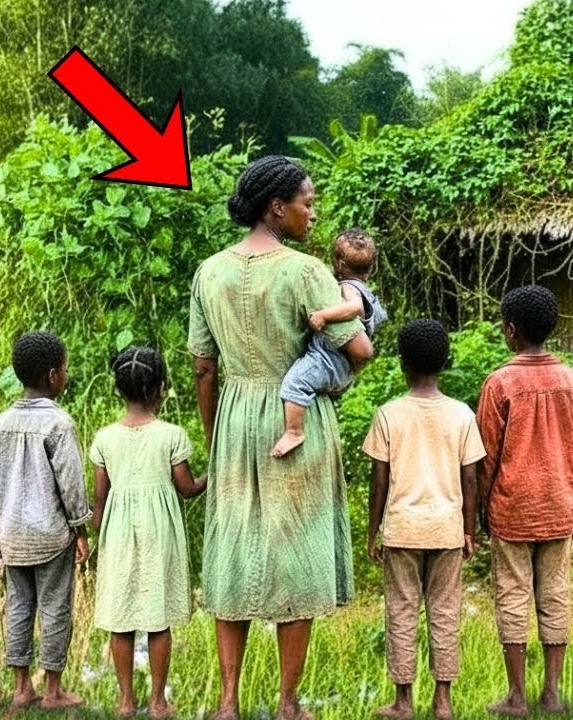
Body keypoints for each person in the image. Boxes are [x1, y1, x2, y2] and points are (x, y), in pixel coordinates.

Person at [188, 154, 374, 720]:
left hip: (234, 419)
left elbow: (203, 367)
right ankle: (288, 703)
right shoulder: (306, 272)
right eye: (307, 202)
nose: (312, 213)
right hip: (295, 416)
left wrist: (216, 435)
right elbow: (359, 348)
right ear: (277, 207)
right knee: (297, 552)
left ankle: (226, 701)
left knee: (234, 549)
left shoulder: (208, 272)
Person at [362, 319, 485, 720]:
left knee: (401, 610)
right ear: (446, 362)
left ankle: (402, 701)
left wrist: (372, 531)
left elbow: (379, 482)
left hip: (402, 529)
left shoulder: (388, 415)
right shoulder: (461, 414)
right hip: (447, 529)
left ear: (402, 364)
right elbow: (471, 478)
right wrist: (470, 529)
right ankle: (443, 701)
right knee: (445, 611)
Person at [476, 286, 573, 718]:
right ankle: (553, 694)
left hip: (512, 508)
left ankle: (517, 697)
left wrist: (482, 510)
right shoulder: (572, 382)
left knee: (512, 593)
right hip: (558, 505)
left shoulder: (500, 383)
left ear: (510, 330)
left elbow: (486, 455)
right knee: (556, 593)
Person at [88, 346, 206, 719]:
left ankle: (125, 701)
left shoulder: (105, 438)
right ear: (161, 388)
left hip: (118, 533)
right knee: (158, 619)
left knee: (121, 619)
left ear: (119, 390)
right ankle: (158, 700)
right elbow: (186, 489)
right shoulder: (171, 435)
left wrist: (92, 534)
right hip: (160, 533)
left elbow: (100, 496)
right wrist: (213, 475)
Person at [0, 330, 91, 711]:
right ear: (52, 375)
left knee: (18, 605)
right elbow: (71, 484)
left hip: (12, 532)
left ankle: (20, 688)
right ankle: (52, 690)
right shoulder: (58, 423)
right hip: (50, 535)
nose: (65, 374)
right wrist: (80, 528)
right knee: (54, 607)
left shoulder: (3, 423)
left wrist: (0, 530)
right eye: (64, 369)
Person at [272, 228, 389, 458]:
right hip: (341, 365)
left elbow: (354, 307)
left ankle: (294, 431)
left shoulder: (349, 287)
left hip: (328, 359)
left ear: (339, 262)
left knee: (294, 384)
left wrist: (325, 315)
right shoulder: (367, 290)